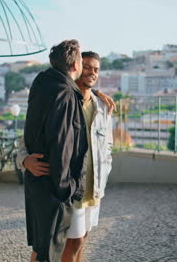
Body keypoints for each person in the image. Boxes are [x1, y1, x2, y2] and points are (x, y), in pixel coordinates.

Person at [18, 51, 113, 262]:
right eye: (87, 67)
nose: (91, 72)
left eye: (96, 69)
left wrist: (105, 173)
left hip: (93, 189)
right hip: (68, 187)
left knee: (80, 241)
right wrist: (24, 160)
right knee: (50, 245)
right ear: (76, 68)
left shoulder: (103, 107)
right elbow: (30, 136)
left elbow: (108, 146)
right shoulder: (60, 99)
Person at [23, 39, 88, 262]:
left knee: (42, 250)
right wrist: (66, 188)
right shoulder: (67, 95)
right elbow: (63, 145)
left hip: (36, 181)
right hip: (54, 187)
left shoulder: (42, 84)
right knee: (50, 253)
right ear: (75, 65)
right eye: (81, 60)